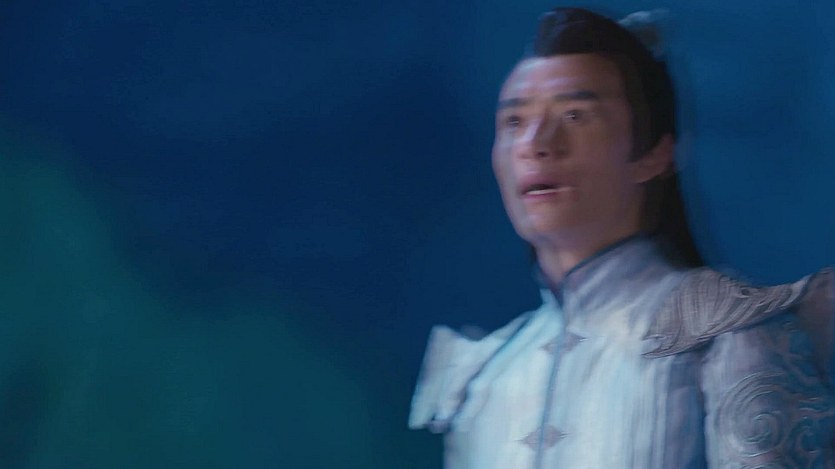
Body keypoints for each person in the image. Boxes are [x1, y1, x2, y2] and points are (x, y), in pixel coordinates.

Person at [409, 7, 835, 468]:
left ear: (655, 153)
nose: (535, 144)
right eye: (514, 122)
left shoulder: (730, 332)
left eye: (575, 115)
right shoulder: (489, 371)